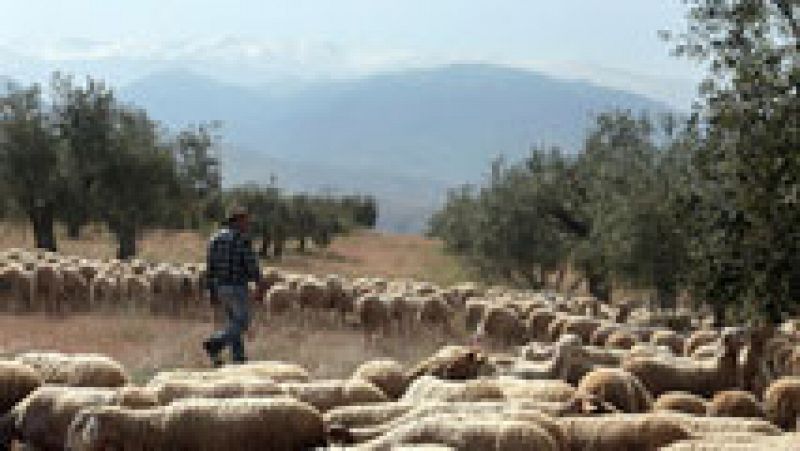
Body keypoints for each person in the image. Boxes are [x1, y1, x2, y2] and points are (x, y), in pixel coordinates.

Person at [203, 206, 266, 366]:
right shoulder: (241, 239)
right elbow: (251, 264)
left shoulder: (214, 239)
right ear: (237, 221)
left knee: (232, 322)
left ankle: (238, 358)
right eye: (245, 221)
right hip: (237, 287)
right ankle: (215, 343)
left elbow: (210, 267)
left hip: (221, 287)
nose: (248, 225)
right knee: (243, 322)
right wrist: (260, 284)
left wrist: (211, 290)